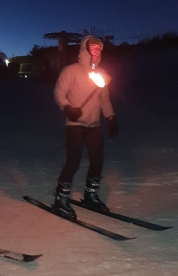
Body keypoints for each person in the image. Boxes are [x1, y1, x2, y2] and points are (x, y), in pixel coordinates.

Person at [53, 35, 118, 220]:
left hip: (94, 125)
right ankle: (61, 198)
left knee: (97, 161)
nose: (96, 51)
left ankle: (90, 196)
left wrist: (110, 117)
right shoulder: (71, 71)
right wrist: (67, 107)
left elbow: (104, 99)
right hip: (74, 125)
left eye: (99, 48)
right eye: (92, 47)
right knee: (73, 162)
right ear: (85, 49)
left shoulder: (101, 74)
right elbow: (59, 92)